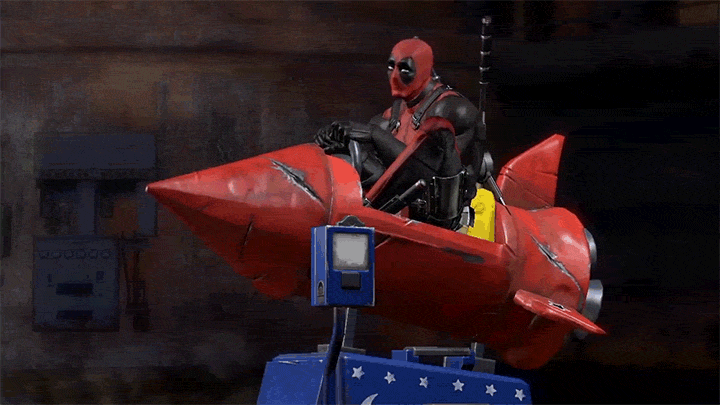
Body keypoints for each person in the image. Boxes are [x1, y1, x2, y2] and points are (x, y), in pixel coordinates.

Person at [315, 38, 489, 230]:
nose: (395, 76)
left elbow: (428, 173)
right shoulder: (389, 118)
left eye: (405, 69)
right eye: (391, 67)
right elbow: (386, 173)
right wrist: (339, 141)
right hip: (396, 220)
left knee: (437, 129)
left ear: (425, 71)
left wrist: (373, 134)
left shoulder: (453, 111)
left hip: (446, 226)